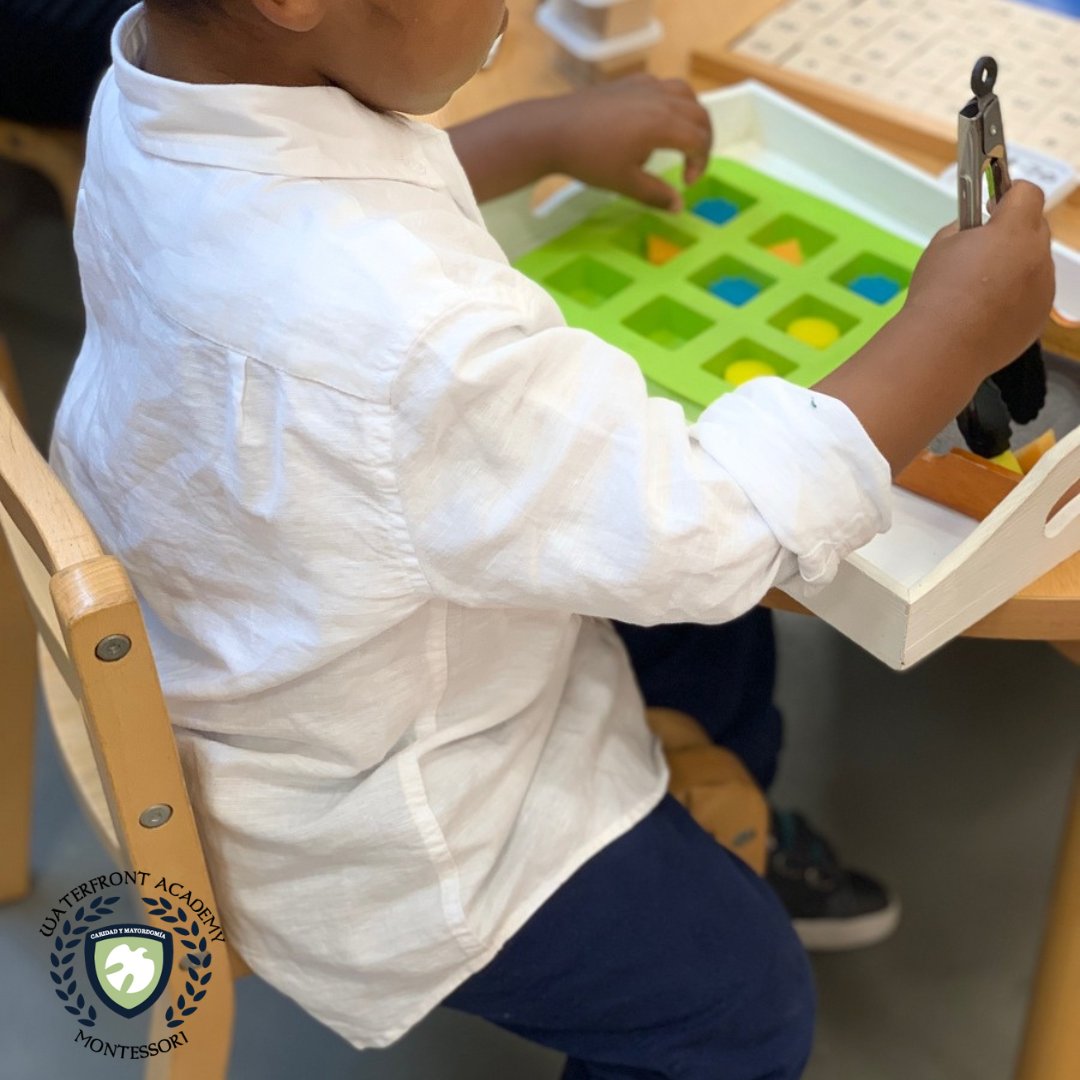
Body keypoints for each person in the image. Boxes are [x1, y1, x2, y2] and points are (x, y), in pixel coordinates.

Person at [49, 2, 1055, 1077]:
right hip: (389, 833)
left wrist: (532, 136)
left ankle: (724, 830)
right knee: (741, 1003)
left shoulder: (158, 78)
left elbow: (338, 199)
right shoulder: (395, 331)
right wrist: (951, 331)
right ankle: (714, 891)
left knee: (719, 639)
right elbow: (715, 524)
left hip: (251, 648)